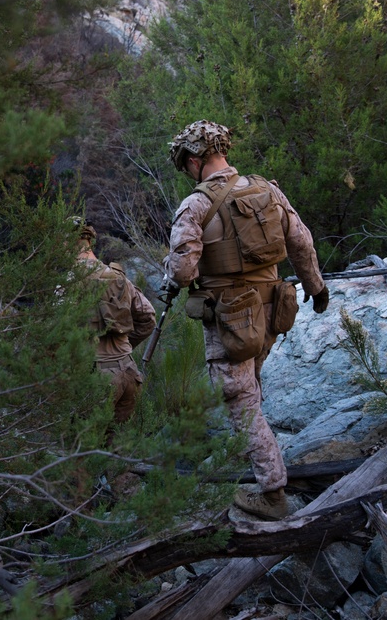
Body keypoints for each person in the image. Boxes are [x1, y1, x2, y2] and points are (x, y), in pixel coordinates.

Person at [163, 120, 330, 520]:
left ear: (195, 159)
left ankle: (273, 492)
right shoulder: (266, 190)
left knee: (240, 400)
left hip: (233, 319)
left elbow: (184, 270)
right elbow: (301, 241)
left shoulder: (197, 205)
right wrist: (317, 287)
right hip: (273, 308)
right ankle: (264, 454)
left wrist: (171, 274)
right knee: (250, 385)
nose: (187, 172)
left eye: (186, 165)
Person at [72, 218, 157, 441]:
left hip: (97, 378)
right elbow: (148, 317)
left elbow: (53, 335)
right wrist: (126, 346)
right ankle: (112, 478)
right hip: (129, 374)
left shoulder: (69, 281)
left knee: (81, 447)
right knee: (116, 449)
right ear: (89, 241)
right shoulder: (119, 278)